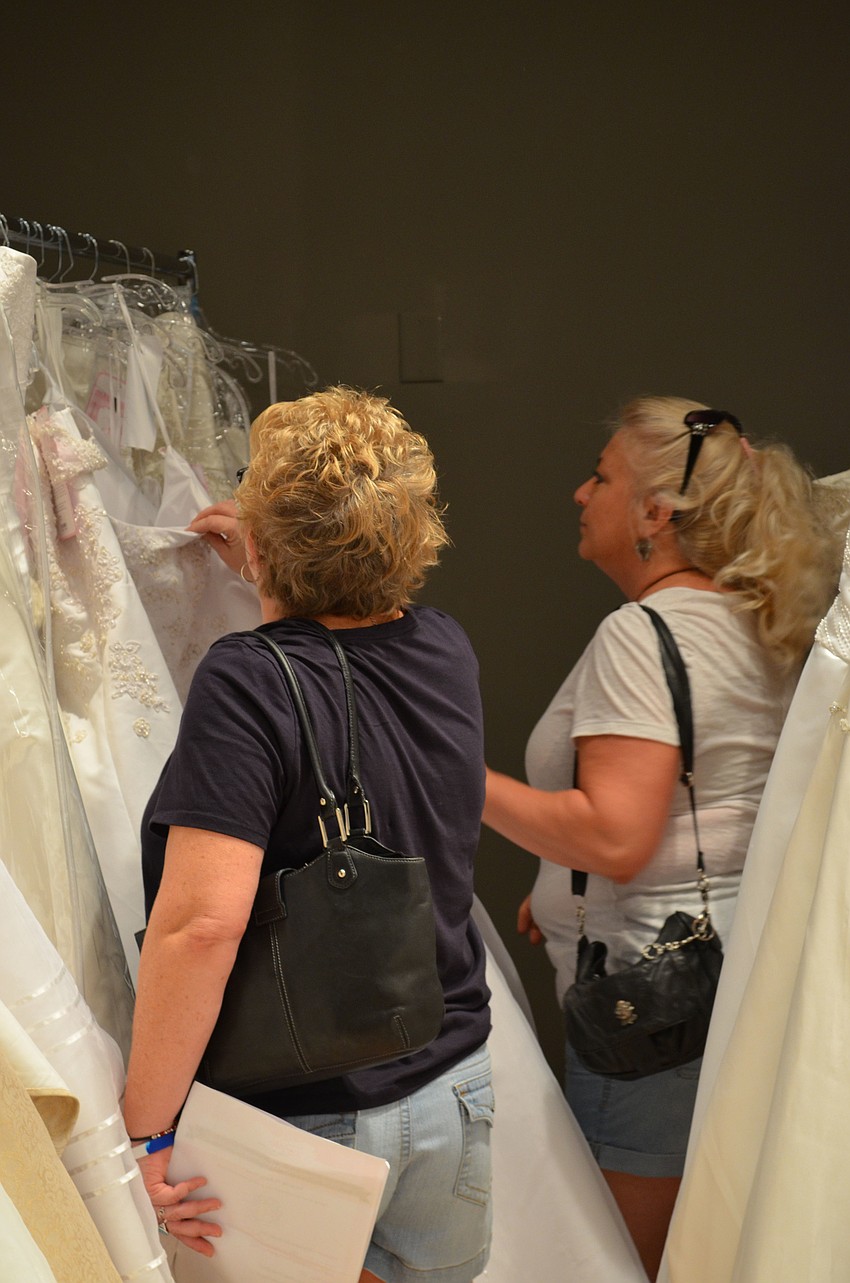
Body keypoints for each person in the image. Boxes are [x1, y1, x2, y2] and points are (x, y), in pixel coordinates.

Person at [123, 387, 493, 1283]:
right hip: (454, 1089)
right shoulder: (443, 644)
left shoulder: (246, 680)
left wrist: (147, 1128)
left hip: (309, 1116)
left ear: (270, 529)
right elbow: (343, 666)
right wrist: (271, 574)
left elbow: (201, 925)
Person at [482, 396, 838, 1281]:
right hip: (730, 979)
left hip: (650, 1007)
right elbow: (721, 807)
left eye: (600, 476)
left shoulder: (641, 635)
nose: (579, 492)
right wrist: (557, 892)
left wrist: (452, 779)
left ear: (653, 512)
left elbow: (616, 833)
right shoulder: (763, 621)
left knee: (622, 1261)